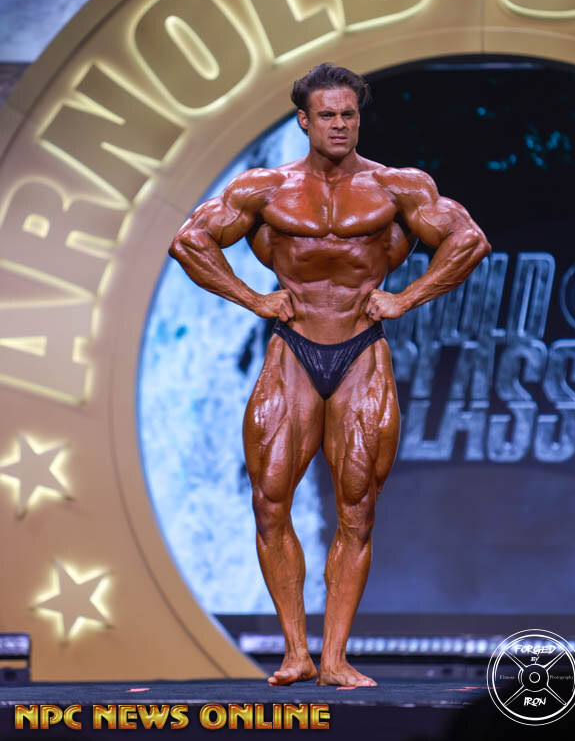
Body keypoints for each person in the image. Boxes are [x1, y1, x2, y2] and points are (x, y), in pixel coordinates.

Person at [169, 63, 490, 687]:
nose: (339, 125)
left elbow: (469, 241)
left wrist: (407, 297)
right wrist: (252, 298)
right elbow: (190, 242)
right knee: (269, 503)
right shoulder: (265, 189)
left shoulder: (397, 187)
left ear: (358, 119)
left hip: (360, 351)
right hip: (292, 349)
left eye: (349, 114)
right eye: (327, 115)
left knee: (358, 509)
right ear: (304, 120)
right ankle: (296, 651)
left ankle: (336, 658)